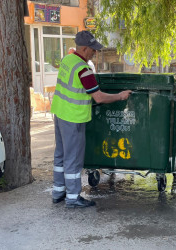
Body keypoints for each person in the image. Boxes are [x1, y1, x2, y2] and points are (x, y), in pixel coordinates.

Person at [51, 31, 132, 208]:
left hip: (60, 113)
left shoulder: (67, 60)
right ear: (84, 48)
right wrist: (120, 96)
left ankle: (58, 192)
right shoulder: (83, 69)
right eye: (93, 50)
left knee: (61, 154)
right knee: (73, 159)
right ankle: (72, 198)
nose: (95, 53)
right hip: (73, 118)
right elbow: (99, 98)